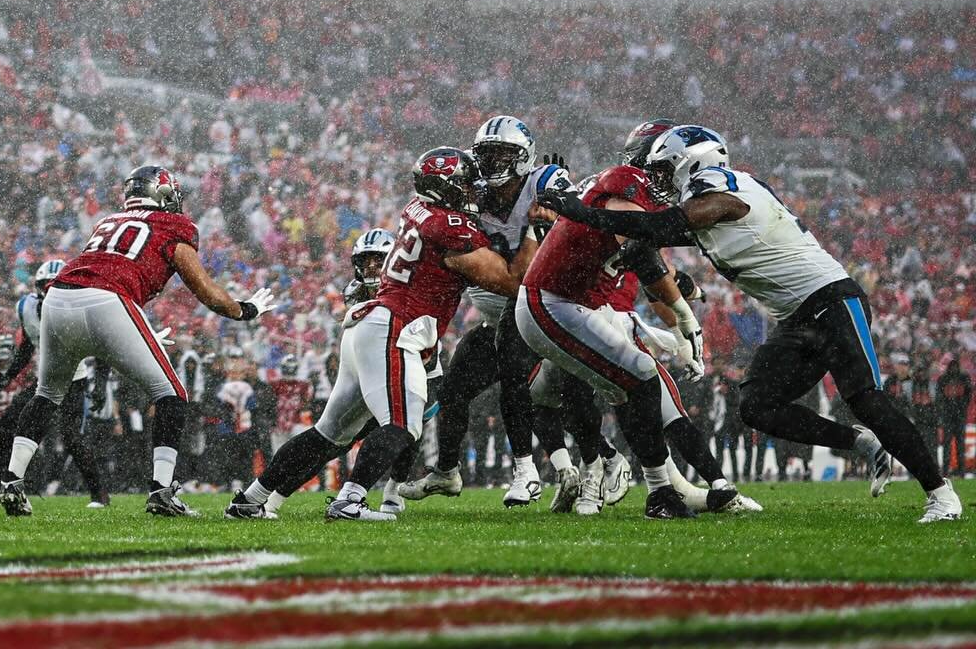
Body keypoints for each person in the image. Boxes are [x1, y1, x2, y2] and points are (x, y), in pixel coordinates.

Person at [544, 124, 963, 524]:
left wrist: (582, 211)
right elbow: (651, 240)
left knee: (865, 396)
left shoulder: (726, 190)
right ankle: (860, 442)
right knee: (757, 406)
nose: (658, 179)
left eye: (663, 169)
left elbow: (661, 225)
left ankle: (941, 493)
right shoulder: (709, 200)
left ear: (690, 161)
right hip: (797, 318)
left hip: (833, 299)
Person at [226, 147, 519, 523]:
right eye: (463, 183)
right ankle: (351, 500)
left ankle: (252, 498)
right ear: (447, 187)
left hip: (371, 324)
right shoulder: (447, 225)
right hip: (394, 326)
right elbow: (509, 279)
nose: (471, 190)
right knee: (403, 424)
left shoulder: (419, 210)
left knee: (328, 435)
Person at [0, 164, 275, 519]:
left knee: (47, 395)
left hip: (58, 297)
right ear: (162, 194)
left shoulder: (108, 222)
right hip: (107, 300)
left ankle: (11, 481)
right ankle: (162, 491)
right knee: (172, 395)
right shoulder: (174, 226)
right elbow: (207, 292)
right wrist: (244, 310)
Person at [517, 157, 714, 521]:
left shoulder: (639, 195)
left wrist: (685, 312)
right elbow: (639, 243)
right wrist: (683, 316)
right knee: (638, 373)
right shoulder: (625, 180)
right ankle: (643, 484)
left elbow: (657, 262)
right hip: (550, 301)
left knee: (626, 383)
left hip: (575, 306)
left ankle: (647, 482)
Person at [400, 116, 572, 508]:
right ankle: (445, 471)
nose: (493, 163)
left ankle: (527, 472)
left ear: (523, 157)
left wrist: (558, 211)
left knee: (514, 370)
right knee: (456, 387)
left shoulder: (542, 185)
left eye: (502, 154)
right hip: (502, 308)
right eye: (487, 154)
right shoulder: (470, 193)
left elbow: (528, 274)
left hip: (540, 301)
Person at [0, 260, 108, 508]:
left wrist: (100, 385)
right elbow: (26, 347)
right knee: (4, 427)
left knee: (71, 438)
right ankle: (1, 486)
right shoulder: (25, 306)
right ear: (39, 287)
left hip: (74, 378)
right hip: (44, 379)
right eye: (48, 286)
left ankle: (100, 495)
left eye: (58, 285)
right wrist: (8, 377)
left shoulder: (81, 308)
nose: (53, 291)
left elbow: (102, 348)